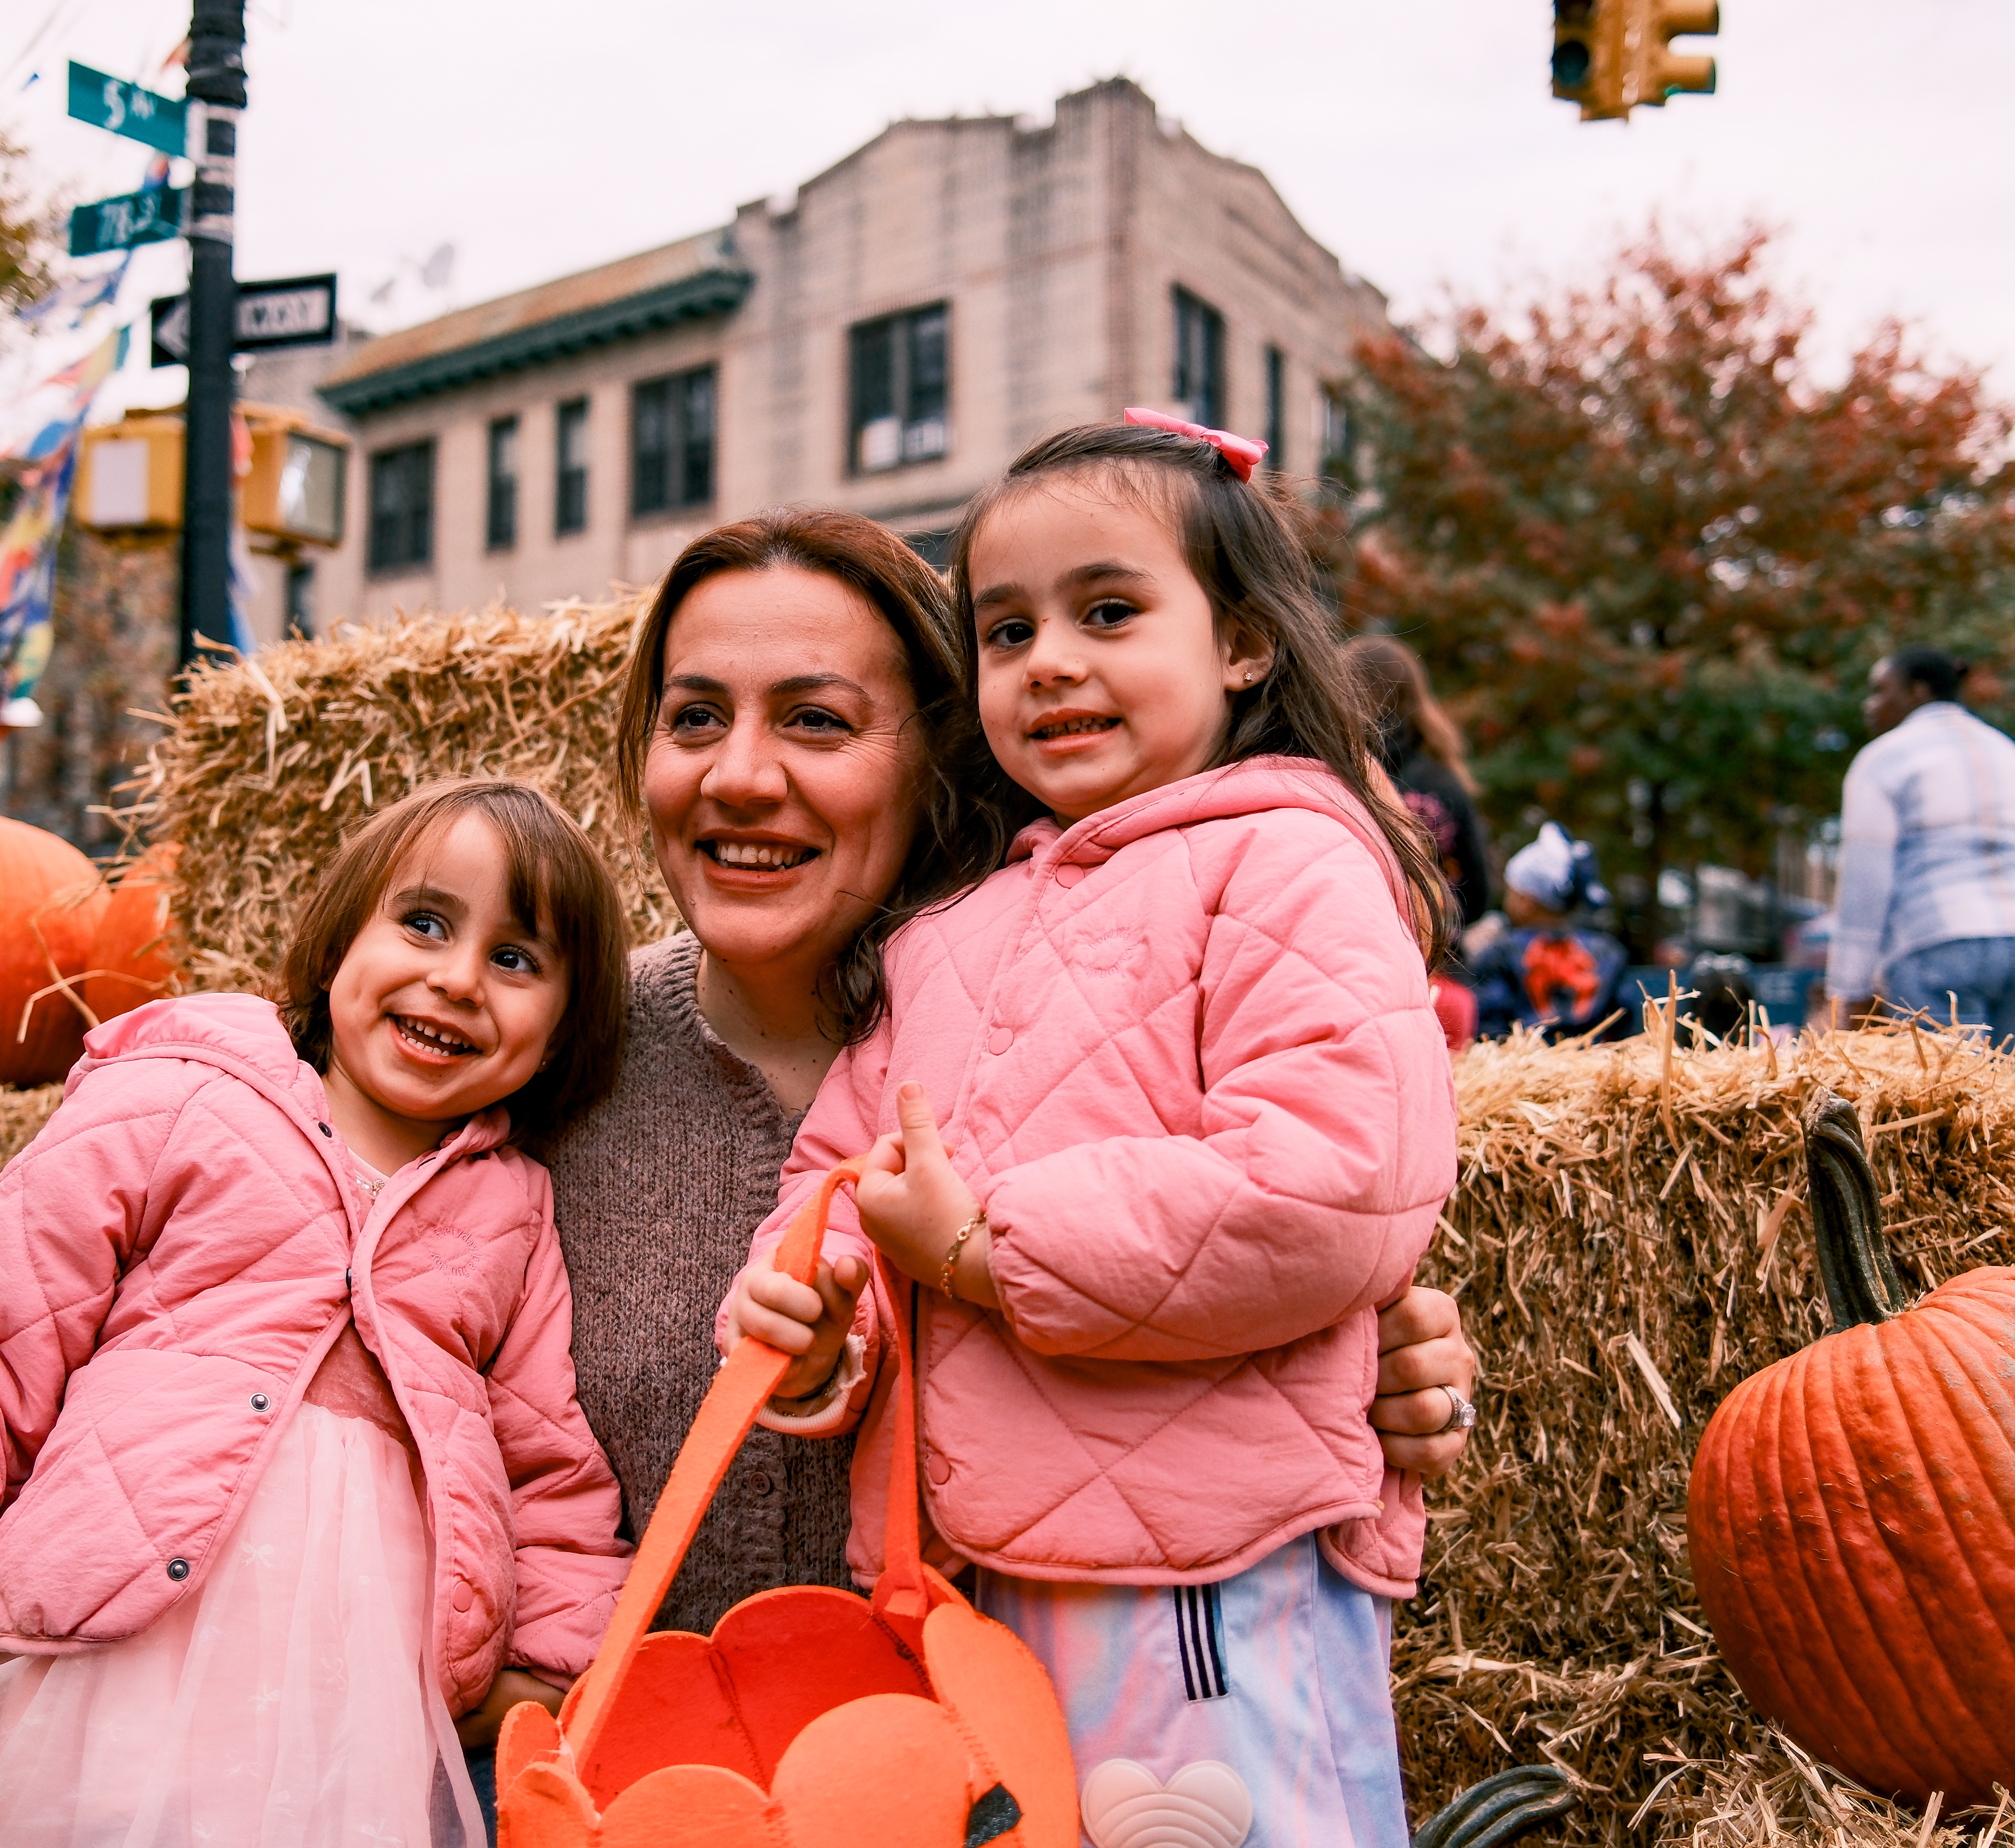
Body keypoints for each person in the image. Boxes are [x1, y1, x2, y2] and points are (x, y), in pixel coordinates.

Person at [468, 508, 1485, 1832]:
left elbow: (1291, 1225)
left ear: (941, 750)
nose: (738, 776)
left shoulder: (1110, 1023)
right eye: (694, 717)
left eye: (817, 722)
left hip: (998, 1782)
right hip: (667, 1796)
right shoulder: (532, 1055)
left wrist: (1387, 1372)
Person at [730, 414, 1460, 1846]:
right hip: (966, 1579)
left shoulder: (1290, 859)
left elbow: (1327, 1183)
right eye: (1006, 631)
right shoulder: (952, 934)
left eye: (1109, 612)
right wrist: (822, 1314)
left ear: (1243, 643)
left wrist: (988, 1246)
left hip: (1205, 1569)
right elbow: (850, 1176)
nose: (1049, 660)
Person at [0, 779, 634, 1848]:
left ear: (566, 1026)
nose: (456, 977)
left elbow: (549, 1460)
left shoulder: (509, 1207)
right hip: (119, 1650)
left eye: (516, 960)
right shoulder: (183, 1091)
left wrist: (549, 1659)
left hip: (366, 1702)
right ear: (340, 939)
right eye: (423, 922)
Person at [1826, 646, 2015, 1048]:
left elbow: (1865, 885)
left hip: (1938, 943)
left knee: (1946, 1104)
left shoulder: (1884, 759)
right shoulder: (2012, 754)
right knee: (2001, 1100)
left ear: (1916, 692)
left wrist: (1848, 991)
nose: (1870, 705)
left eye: (1880, 691)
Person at [1346, 633, 1490, 1047]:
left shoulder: (1335, 776)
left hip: (1356, 976)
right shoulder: (1446, 783)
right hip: (1438, 978)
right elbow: (1479, 893)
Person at [1468, 821, 1647, 1040]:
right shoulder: (1608, 952)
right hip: (1593, 1066)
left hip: (1523, 1065)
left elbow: (1489, 1025)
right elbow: (1626, 1024)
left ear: (1526, 900)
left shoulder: (1502, 953)